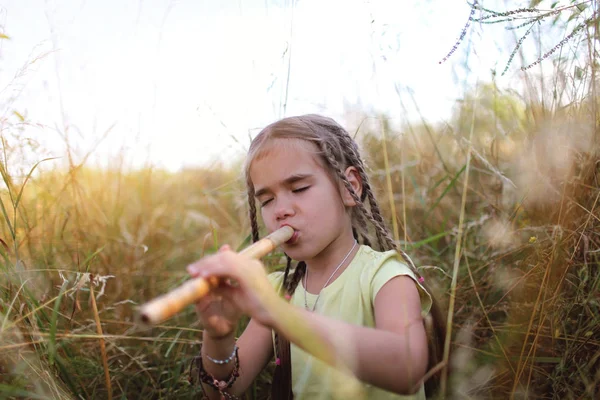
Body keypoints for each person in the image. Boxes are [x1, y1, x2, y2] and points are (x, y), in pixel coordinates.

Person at [186, 114, 445, 400]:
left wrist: (277, 313)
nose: (280, 210)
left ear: (350, 188)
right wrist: (218, 336)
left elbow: (406, 370)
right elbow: (224, 390)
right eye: (267, 200)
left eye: (299, 189)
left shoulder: (386, 276)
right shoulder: (279, 291)